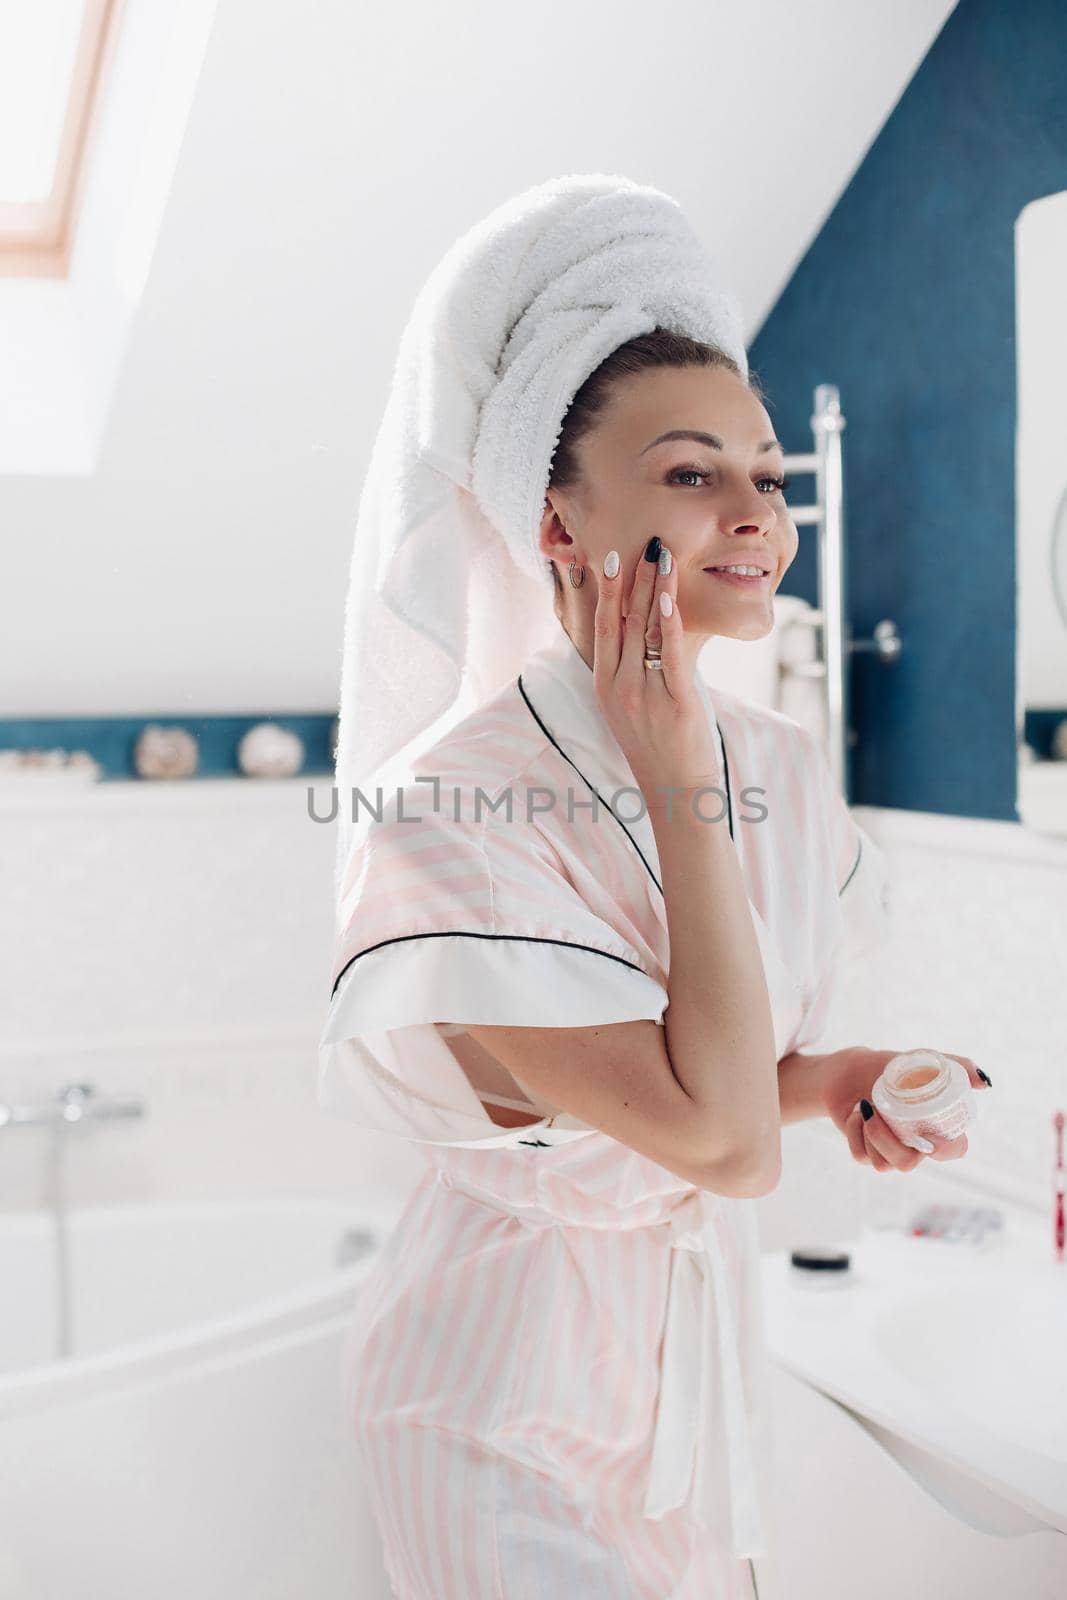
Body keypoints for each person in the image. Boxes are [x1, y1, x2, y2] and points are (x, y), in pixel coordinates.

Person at [318, 177, 989, 1600]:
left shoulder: (790, 771)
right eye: (693, 473)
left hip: (689, 1392)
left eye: (767, 470)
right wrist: (680, 781)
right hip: (495, 1403)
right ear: (556, 519)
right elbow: (724, 1146)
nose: (756, 512)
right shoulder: (446, 805)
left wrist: (841, 1075)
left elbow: (723, 1085)